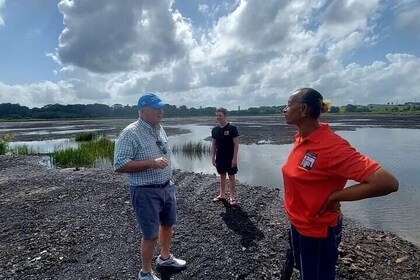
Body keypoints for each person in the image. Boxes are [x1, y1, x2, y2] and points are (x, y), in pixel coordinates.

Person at [281, 88, 399, 280]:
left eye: (288, 105)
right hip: (298, 224)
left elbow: (387, 182)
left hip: (317, 231)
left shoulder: (332, 147)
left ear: (303, 110)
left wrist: (336, 196)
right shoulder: (301, 138)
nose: (284, 110)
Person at [114, 93, 186, 280]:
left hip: (166, 186)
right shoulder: (130, 133)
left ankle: (165, 258)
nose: (161, 111)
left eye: (161, 107)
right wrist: (151, 163)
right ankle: (145, 273)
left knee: (168, 224)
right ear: (143, 111)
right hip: (145, 190)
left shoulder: (159, 128)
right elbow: (120, 165)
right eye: (156, 108)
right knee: (150, 234)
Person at [211, 107, 240, 205]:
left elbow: (236, 144)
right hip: (220, 157)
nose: (218, 117)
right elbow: (214, 144)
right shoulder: (215, 130)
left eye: (220, 115)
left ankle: (232, 197)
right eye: (217, 115)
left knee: (231, 176)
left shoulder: (232, 128)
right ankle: (222, 194)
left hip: (230, 157)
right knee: (222, 175)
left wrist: (234, 158)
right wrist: (213, 157)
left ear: (225, 116)